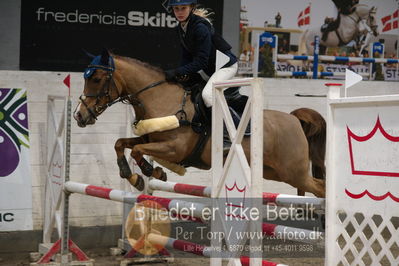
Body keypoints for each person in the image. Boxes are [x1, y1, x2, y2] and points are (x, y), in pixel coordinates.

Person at [164, 0, 238, 108]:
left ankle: (226, 125)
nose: (179, 12)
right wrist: (180, 74)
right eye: (176, 8)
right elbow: (186, 56)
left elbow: (201, 62)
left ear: (192, 8)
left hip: (225, 67)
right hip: (209, 69)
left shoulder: (200, 28)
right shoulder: (181, 28)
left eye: (183, 8)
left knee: (207, 95)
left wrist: (177, 72)